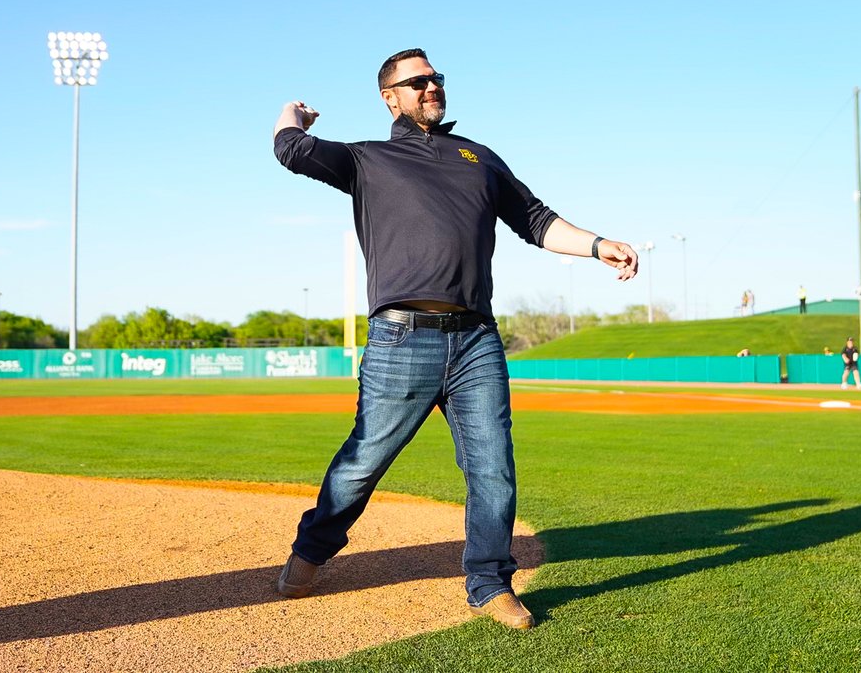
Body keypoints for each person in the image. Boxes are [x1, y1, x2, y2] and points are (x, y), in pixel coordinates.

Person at [271, 48, 639, 630]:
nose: (430, 86)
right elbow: (291, 152)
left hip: (476, 341)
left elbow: (536, 220)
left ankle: (489, 584)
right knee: (363, 463)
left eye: (436, 78)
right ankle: (311, 552)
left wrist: (597, 245)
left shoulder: (479, 158)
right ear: (390, 97)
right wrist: (290, 115)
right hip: (401, 339)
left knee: (492, 466)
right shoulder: (369, 159)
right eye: (415, 81)